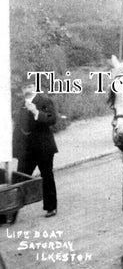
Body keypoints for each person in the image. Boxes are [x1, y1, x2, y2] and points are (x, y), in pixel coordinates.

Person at [12, 75, 59, 218]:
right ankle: (11, 212)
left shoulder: (44, 101)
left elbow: (52, 119)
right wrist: (15, 150)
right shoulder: (20, 104)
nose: (28, 90)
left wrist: (36, 112)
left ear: (35, 87)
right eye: (25, 87)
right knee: (19, 179)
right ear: (22, 90)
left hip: (43, 147)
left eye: (31, 87)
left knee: (47, 176)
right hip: (26, 150)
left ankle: (51, 208)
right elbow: (18, 128)